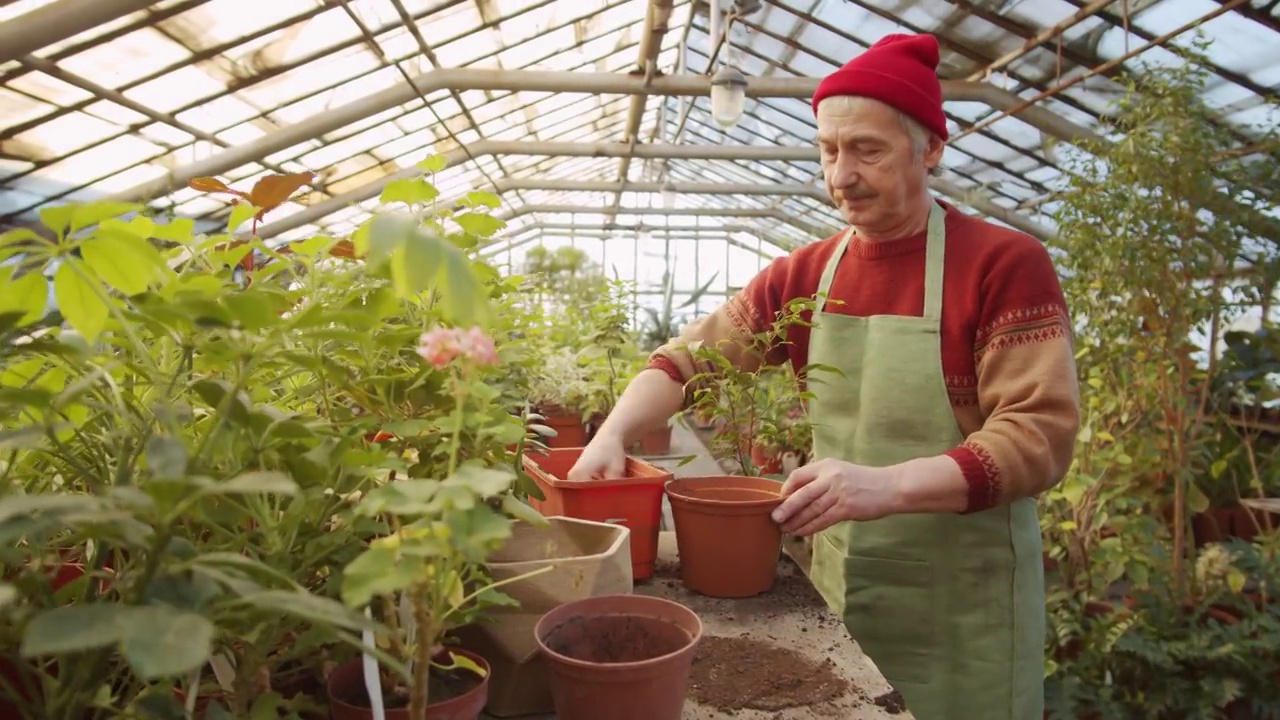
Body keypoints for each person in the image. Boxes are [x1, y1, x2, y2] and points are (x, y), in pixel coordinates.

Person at [567, 31, 1080, 720]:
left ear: (931, 148)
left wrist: (889, 483)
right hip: (843, 581)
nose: (840, 176)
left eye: (867, 150)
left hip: (964, 605)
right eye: (829, 150)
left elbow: (1038, 436)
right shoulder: (806, 276)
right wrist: (616, 433)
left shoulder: (1000, 264)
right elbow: (688, 361)